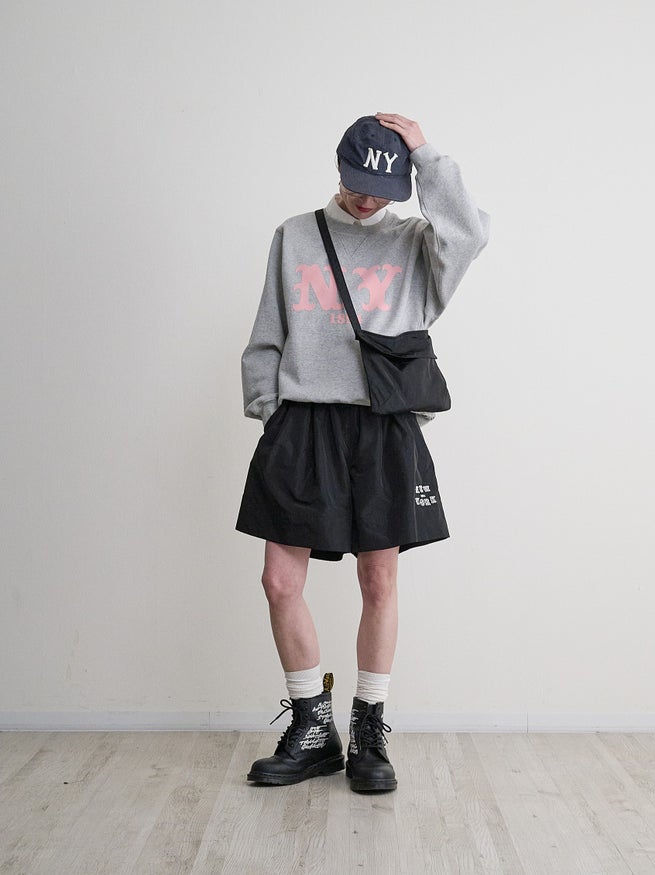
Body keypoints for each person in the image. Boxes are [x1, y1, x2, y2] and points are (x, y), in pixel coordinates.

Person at [236, 113, 490, 792]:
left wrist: (426, 154)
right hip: (303, 423)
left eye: (385, 187)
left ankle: (369, 729)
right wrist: (269, 408)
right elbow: (268, 329)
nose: (370, 198)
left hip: (383, 425)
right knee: (279, 580)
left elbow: (471, 231)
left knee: (378, 581)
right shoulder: (295, 235)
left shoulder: (417, 243)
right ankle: (312, 728)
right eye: (359, 183)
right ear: (339, 169)